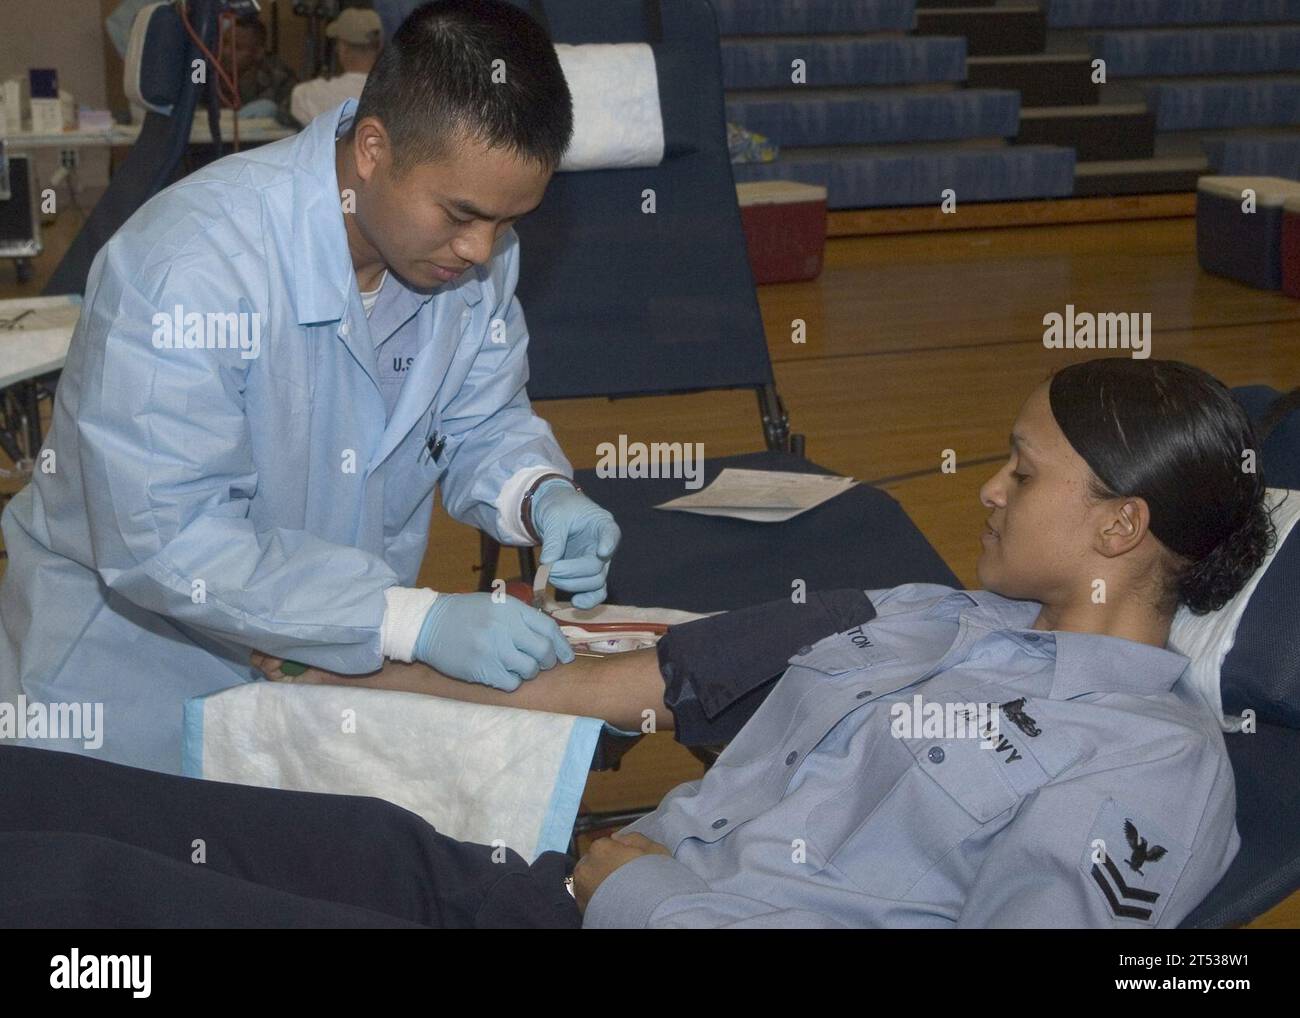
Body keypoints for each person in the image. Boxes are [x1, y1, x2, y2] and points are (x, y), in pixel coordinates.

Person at [2, 358, 1272, 928]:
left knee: (94, 906)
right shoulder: (910, 610)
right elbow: (612, 683)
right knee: (96, 806)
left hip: (624, 906)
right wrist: (357, 656)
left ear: (1118, 523)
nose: (988, 491)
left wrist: (647, 895)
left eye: (1021, 469)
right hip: (532, 890)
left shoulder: (1145, 763)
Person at [0, 0, 619, 776]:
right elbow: (169, 539)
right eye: (462, 214)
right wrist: (408, 621)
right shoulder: (188, 270)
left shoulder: (468, 259)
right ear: (371, 147)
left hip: (317, 673)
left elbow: (478, 419)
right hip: (128, 690)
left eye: (508, 220)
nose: (481, 249)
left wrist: (538, 492)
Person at [289, 8, 384, 127]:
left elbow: (297, 97)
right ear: (379, 46)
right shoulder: (398, 91)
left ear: (343, 48)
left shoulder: (309, 94)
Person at [220, 14, 299, 121]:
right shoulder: (208, 72)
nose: (226, 52)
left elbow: (299, 118)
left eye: (237, 47)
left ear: (258, 52)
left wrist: (277, 113)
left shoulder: (279, 78)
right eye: (224, 43)